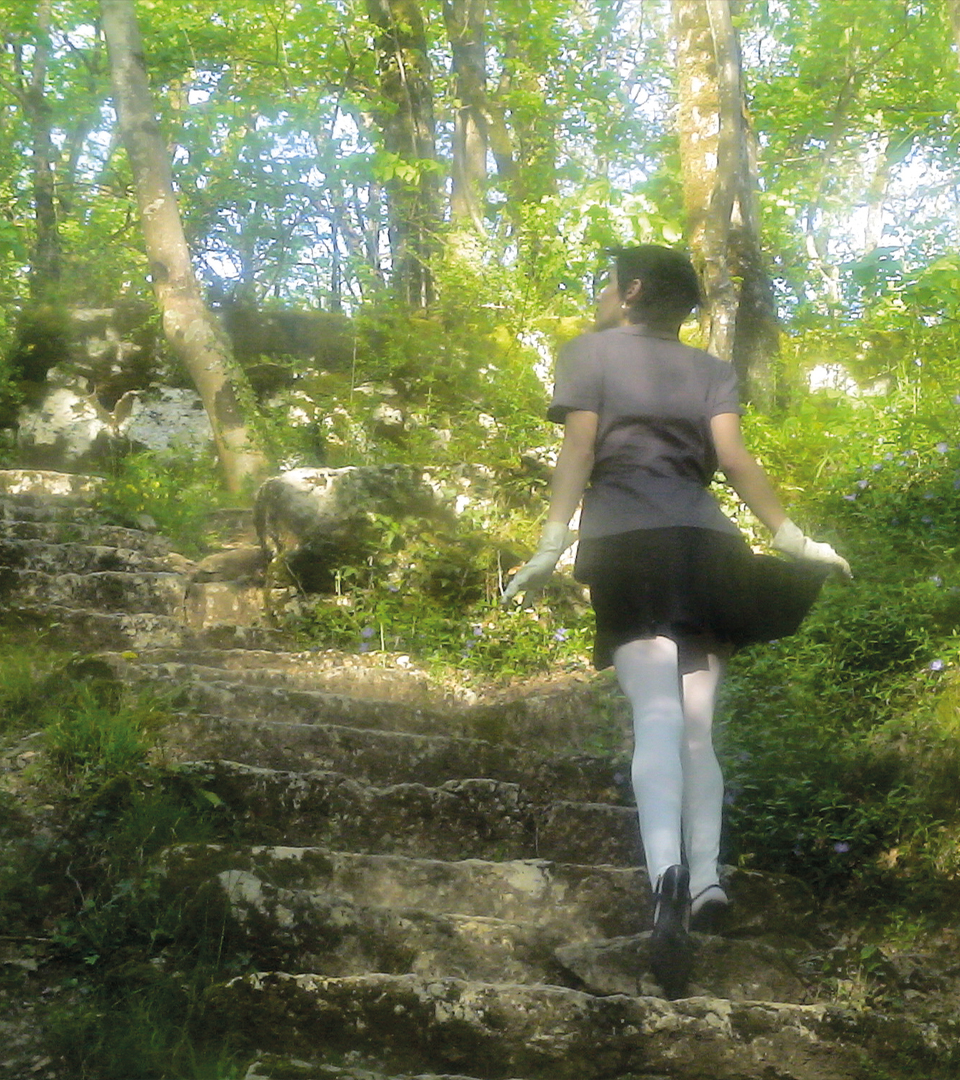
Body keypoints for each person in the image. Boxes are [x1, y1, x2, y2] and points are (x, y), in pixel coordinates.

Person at [502, 244, 850, 999]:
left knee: (655, 718)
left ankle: (666, 875)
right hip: (709, 547)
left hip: (629, 546)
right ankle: (709, 881)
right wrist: (795, 540)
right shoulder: (710, 370)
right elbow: (736, 460)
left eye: (604, 282)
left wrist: (551, 546)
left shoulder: (589, 352)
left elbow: (579, 449)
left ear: (631, 291)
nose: (599, 295)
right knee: (697, 725)